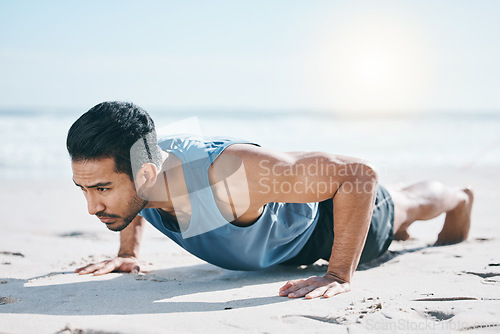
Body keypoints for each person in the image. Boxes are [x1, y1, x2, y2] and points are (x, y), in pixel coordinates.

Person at [67, 101, 474, 299]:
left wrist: (337, 275)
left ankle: (457, 199)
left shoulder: (227, 175)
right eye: (83, 189)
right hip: (276, 227)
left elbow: (359, 174)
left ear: (146, 174)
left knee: (406, 204)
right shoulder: (140, 165)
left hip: (327, 224)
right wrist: (127, 250)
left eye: (101, 190)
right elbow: (133, 199)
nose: (92, 207)